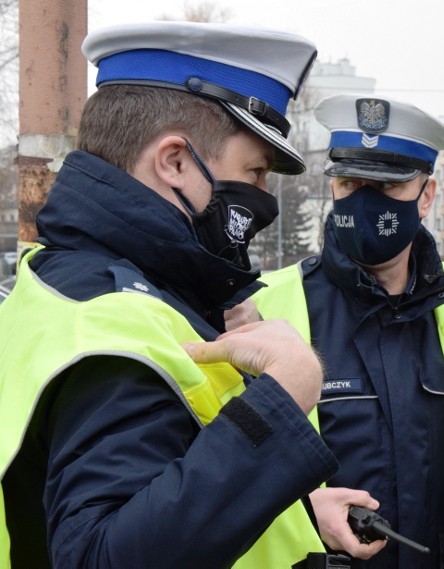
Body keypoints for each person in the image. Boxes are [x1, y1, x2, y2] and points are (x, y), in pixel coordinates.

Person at [0, 22, 340, 568]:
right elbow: (99, 554)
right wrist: (279, 402)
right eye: (254, 171)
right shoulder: (117, 331)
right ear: (175, 161)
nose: (261, 197)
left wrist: (295, 507)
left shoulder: (61, 279)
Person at [247, 94, 444, 568]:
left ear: (426, 197)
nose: (364, 202)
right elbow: (226, 473)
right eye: (350, 183)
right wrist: (305, 510)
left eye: (385, 187)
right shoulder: (268, 307)